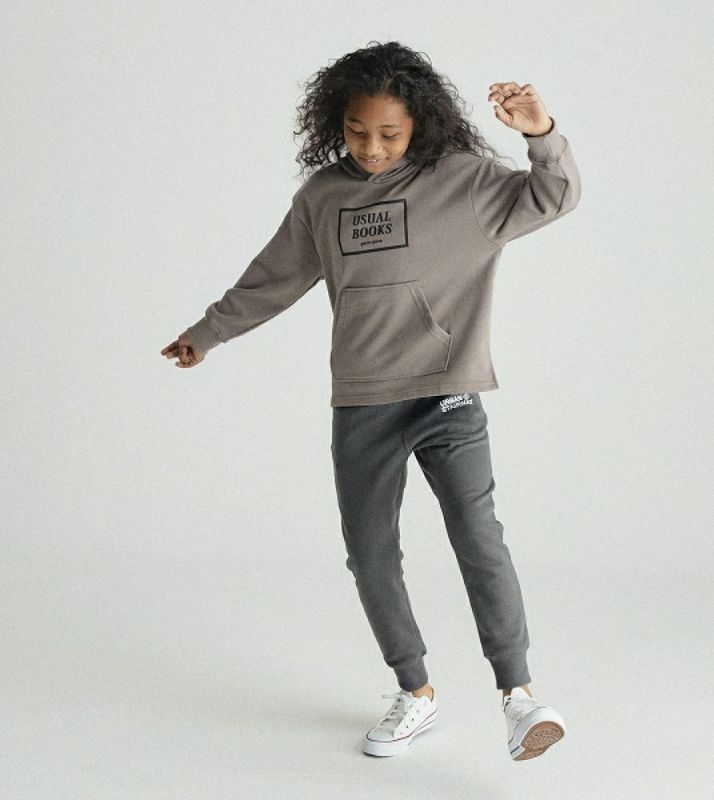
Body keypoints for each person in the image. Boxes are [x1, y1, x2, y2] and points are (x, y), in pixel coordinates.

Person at [161, 40, 581, 761]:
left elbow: (554, 195)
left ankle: (518, 697)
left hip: (447, 391)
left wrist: (540, 133)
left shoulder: (464, 181)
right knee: (370, 553)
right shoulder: (323, 198)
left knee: (476, 534)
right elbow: (273, 277)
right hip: (363, 400)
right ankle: (414, 691)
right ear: (338, 122)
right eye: (358, 131)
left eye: (390, 133)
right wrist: (208, 332)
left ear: (420, 123)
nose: (374, 147)